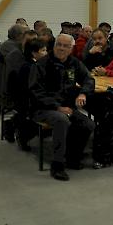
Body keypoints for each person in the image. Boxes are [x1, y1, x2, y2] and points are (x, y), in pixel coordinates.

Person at [30, 34, 95, 181]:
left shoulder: (74, 63)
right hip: (43, 109)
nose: (61, 48)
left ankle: (73, 158)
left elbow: (88, 79)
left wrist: (83, 94)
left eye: (66, 46)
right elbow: (35, 92)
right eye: (59, 44)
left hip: (68, 107)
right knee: (62, 120)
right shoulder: (41, 65)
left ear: (71, 49)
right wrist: (57, 107)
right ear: (54, 46)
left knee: (88, 124)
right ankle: (57, 165)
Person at [9, 37, 48, 150]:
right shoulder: (30, 67)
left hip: (30, 99)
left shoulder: (35, 65)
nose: (46, 53)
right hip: (29, 101)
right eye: (43, 50)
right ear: (34, 53)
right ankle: (22, 133)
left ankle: (14, 123)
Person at [0, 24, 27, 109]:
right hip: (2, 89)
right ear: (19, 36)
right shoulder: (12, 48)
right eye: (25, 34)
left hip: (1, 85)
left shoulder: (9, 44)